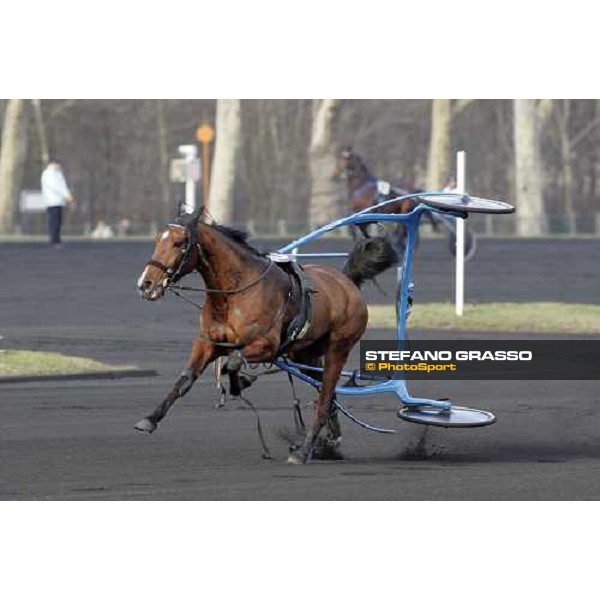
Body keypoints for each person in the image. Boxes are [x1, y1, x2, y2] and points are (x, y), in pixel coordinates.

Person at [41, 159, 74, 246]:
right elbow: (57, 186)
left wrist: (66, 195)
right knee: (54, 221)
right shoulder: (49, 174)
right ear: (53, 164)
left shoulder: (57, 173)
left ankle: (57, 238)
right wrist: (67, 195)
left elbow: (62, 186)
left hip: (59, 201)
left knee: (58, 221)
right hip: (52, 201)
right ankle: (54, 239)